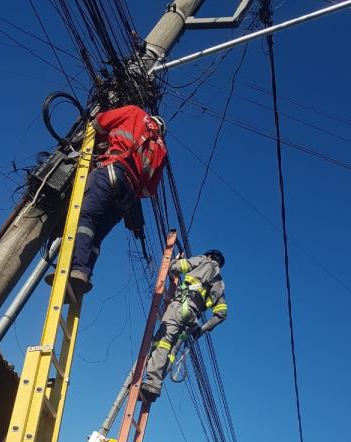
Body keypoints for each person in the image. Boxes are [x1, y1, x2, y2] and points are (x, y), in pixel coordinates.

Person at [48, 105, 167, 295]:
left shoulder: (135, 112)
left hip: (112, 170)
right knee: (97, 234)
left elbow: (99, 123)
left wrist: (106, 144)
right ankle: (84, 273)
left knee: (86, 218)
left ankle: (76, 268)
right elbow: (149, 190)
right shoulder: (162, 150)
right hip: (128, 194)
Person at [140, 249, 228, 402]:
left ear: (209, 256)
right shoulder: (220, 284)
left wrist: (174, 262)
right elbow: (221, 314)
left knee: (163, 341)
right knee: (172, 351)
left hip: (181, 306)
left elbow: (177, 267)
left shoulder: (203, 260)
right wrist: (202, 329)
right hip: (192, 319)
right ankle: (157, 384)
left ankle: (152, 382)